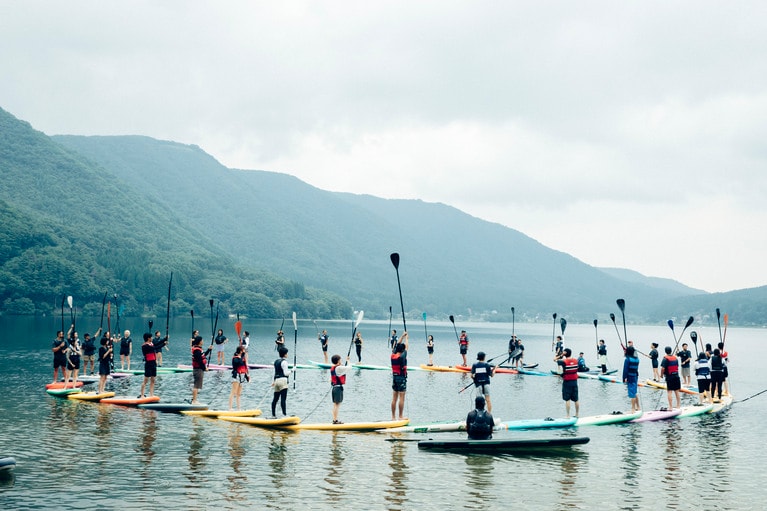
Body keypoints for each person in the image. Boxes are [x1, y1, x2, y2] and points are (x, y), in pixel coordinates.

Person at [555, 348, 579, 418]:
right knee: (576, 399)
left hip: (567, 382)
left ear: (565, 353)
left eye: (564, 352)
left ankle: (568, 415)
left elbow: (554, 359)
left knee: (567, 399)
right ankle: (577, 414)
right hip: (574, 382)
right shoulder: (575, 360)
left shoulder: (564, 361)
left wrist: (560, 355)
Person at [391, 331, 409, 420]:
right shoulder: (402, 356)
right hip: (401, 378)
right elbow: (407, 347)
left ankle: (393, 417)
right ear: (402, 350)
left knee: (394, 398)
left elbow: (397, 345)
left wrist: (402, 336)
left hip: (394, 377)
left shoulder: (393, 355)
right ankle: (400, 416)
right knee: (402, 397)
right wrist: (407, 338)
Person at [330, 353, 351, 424]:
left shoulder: (334, 368)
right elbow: (349, 367)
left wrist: (342, 365)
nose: (341, 361)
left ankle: (334, 419)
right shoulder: (338, 368)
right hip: (338, 389)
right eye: (340, 360)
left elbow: (342, 369)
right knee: (337, 405)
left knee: (335, 405)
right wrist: (348, 361)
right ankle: (335, 420)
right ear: (338, 361)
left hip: (334, 388)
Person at [270, 346, 291, 417]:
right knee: (283, 399)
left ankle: (273, 415)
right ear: (285, 354)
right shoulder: (284, 362)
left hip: (276, 381)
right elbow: (285, 373)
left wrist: (273, 381)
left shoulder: (276, 361)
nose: (287, 354)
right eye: (287, 353)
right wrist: (292, 370)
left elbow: (275, 372)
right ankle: (284, 415)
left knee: (275, 399)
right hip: (283, 381)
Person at [229, 345, 249, 410]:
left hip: (242, 377)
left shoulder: (242, 358)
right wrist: (242, 356)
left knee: (239, 394)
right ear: (240, 351)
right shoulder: (235, 358)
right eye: (243, 350)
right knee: (233, 392)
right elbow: (239, 363)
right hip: (236, 376)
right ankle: (230, 408)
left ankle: (238, 408)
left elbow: (244, 367)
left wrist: (247, 377)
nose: (244, 351)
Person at [622, 346, 641, 412]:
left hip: (630, 377)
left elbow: (625, 370)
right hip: (635, 376)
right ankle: (638, 407)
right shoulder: (637, 359)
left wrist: (624, 378)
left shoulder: (627, 360)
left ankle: (633, 409)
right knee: (634, 391)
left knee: (631, 393)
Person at [139, 333, 158, 398]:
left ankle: (151, 394)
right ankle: (142, 395)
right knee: (146, 380)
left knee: (153, 380)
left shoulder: (151, 344)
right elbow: (155, 347)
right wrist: (163, 343)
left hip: (153, 363)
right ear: (148, 338)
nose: (152, 338)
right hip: (148, 363)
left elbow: (156, 347)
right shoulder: (144, 346)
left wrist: (164, 341)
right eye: (151, 337)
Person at [191, 335, 208, 404]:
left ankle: (195, 399)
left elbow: (203, 355)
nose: (203, 341)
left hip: (198, 369)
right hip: (198, 369)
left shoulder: (198, 349)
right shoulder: (197, 351)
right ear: (200, 342)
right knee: (196, 385)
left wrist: (209, 350)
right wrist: (204, 368)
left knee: (197, 385)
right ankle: (194, 400)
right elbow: (199, 360)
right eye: (202, 340)